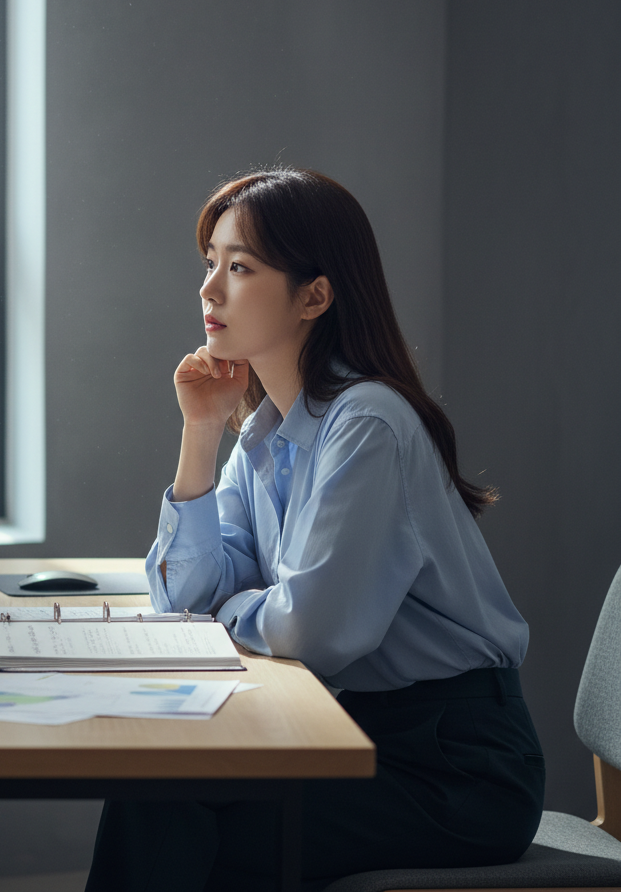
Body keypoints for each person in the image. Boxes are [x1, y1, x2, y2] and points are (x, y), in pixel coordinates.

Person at [85, 168, 544, 892]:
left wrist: (230, 611)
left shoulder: (367, 424)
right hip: (351, 732)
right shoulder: (267, 433)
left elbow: (311, 634)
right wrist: (202, 432)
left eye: (239, 268)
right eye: (211, 265)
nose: (209, 290)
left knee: (180, 820)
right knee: (164, 789)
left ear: (314, 296)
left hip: (452, 766)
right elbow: (183, 597)